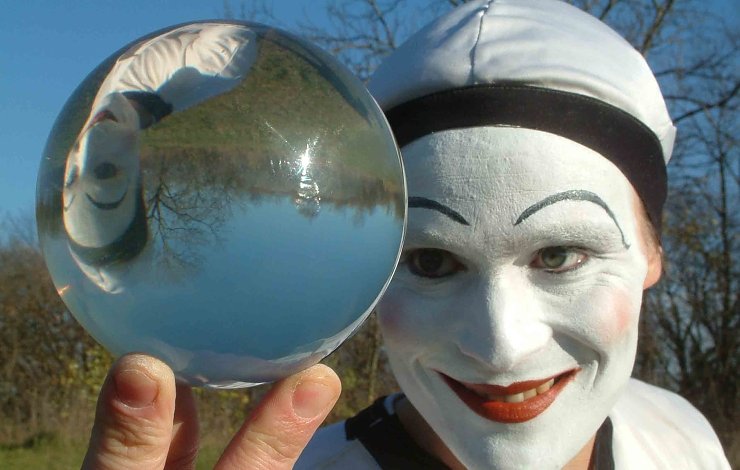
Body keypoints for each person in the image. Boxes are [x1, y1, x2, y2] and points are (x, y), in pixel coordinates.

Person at [82, 1, 731, 468]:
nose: (500, 348)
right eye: (430, 261)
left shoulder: (684, 439)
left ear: (652, 252)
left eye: (558, 255)